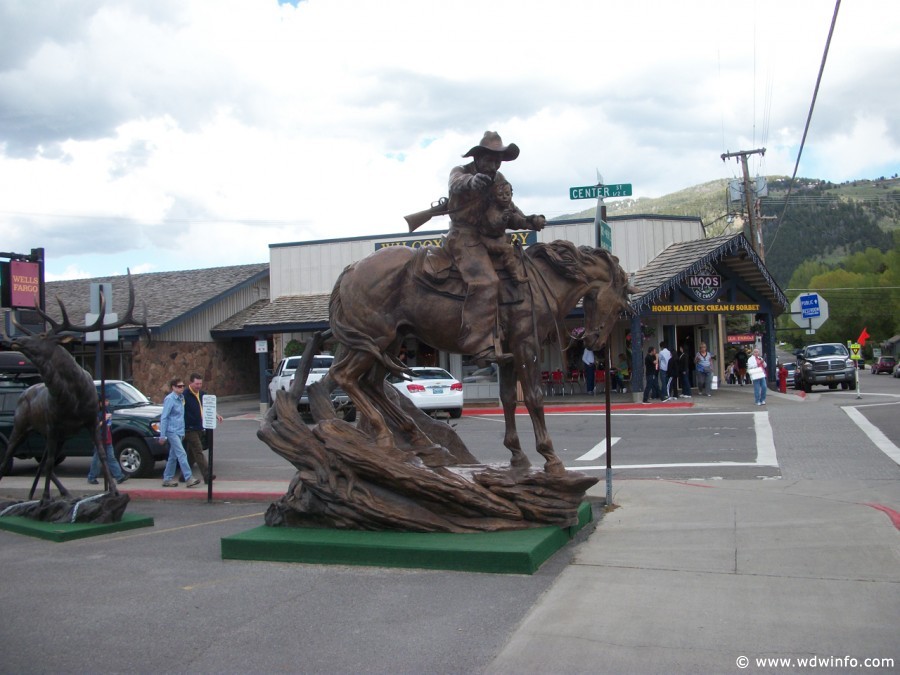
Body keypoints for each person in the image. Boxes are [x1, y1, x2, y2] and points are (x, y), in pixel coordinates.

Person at [445, 131, 545, 363]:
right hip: (464, 237)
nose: (495, 163)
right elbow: (456, 184)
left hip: (489, 240)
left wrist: (529, 221)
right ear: (478, 157)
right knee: (487, 281)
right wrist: (473, 182)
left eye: (498, 159)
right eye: (490, 158)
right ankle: (480, 344)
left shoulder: (499, 180)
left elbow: (510, 212)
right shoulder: (461, 172)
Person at [159, 378, 200, 488]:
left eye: (182, 386)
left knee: (173, 456)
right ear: (173, 387)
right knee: (182, 453)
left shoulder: (181, 398)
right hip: (171, 431)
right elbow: (164, 417)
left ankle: (167, 478)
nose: (182, 388)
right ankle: (189, 478)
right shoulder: (170, 399)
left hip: (179, 431)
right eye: (179, 386)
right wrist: (162, 435)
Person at [183, 373, 222, 484]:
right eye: (196, 384)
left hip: (200, 427)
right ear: (191, 382)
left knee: (192, 454)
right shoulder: (185, 395)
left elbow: (209, 407)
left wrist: (216, 415)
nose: (198, 386)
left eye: (200, 383)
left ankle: (183, 475)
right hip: (189, 428)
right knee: (198, 450)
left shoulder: (203, 394)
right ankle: (207, 475)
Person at [87, 398, 128, 485]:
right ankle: (92, 477)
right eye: (105, 401)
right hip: (100, 439)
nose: (107, 402)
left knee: (111, 458)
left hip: (107, 438)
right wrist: (104, 420)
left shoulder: (107, 410)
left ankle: (119, 476)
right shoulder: (96, 412)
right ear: (100, 402)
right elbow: (95, 426)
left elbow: (109, 423)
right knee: (97, 459)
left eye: (107, 401)